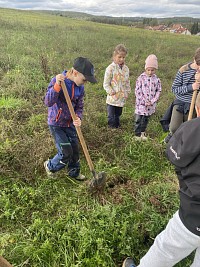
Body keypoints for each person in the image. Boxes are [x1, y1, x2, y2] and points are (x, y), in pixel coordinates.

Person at [122, 92, 200, 267]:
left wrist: (185, 132)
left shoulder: (194, 127)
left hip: (194, 216)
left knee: (165, 249)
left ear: (197, 109)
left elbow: (174, 155)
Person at [44, 57, 97, 180]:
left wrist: (78, 117)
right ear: (75, 72)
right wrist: (57, 85)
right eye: (84, 79)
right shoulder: (59, 82)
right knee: (66, 151)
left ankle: (74, 172)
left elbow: (79, 105)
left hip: (70, 123)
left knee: (74, 149)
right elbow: (48, 101)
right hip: (56, 124)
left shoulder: (80, 87)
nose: (85, 82)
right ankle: (50, 166)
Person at [163, 47, 200, 143]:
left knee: (190, 130)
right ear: (193, 59)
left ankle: (184, 145)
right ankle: (171, 137)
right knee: (174, 127)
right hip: (180, 103)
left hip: (194, 105)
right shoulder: (183, 70)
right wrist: (191, 87)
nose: (199, 68)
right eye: (197, 65)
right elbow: (174, 89)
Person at [134, 54, 161, 140]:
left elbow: (158, 91)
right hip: (141, 104)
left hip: (150, 105)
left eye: (152, 70)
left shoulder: (156, 79)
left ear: (155, 69)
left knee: (145, 119)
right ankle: (137, 135)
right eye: (148, 70)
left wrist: (153, 101)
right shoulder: (141, 78)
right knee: (138, 119)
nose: (150, 72)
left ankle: (142, 133)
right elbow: (137, 91)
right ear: (145, 68)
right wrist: (144, 101)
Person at [103, 44, 131, 128]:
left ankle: (117, 127)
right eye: (119, 57)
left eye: (123, 57)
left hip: (121, 97)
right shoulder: (110, 68)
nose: (121, 59)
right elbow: (106, 83)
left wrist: (127, 91)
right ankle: (111, 129)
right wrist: (111, 91)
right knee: (111, 115)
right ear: (114, 56)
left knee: (118, 114)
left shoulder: (126, 69)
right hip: (112, 97)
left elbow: (127, 81)